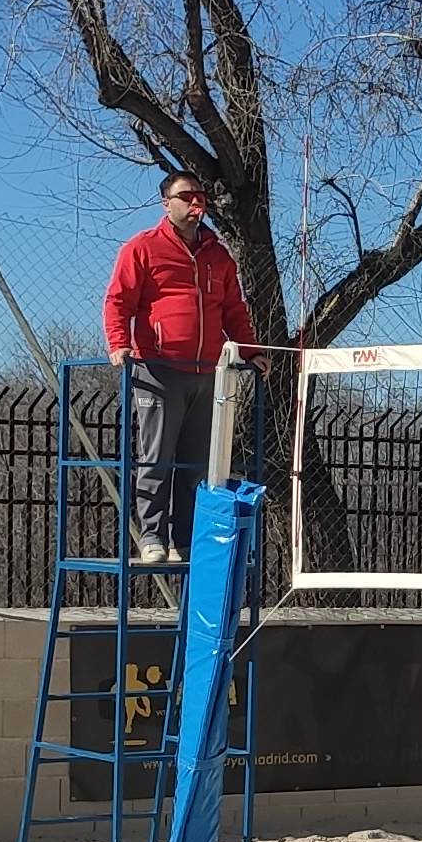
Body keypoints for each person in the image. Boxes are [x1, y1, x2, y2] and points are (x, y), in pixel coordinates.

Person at [102, 170, 260, 565]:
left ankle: (184, 539)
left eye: (200, 196)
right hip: (158, 369)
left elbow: (233, 310)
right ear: (166, 203)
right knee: (156, 457)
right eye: (186, 196)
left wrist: (251, 351)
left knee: (196, 464)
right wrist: (119, 344)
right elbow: (118, 300)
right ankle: (152, 536)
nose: (195, 204)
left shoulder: (218, 256)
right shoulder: (142, 248)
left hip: (207, 373)